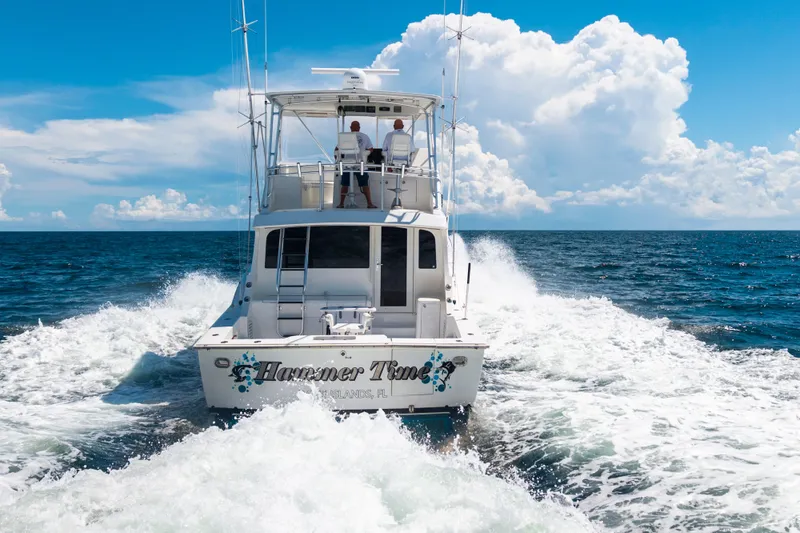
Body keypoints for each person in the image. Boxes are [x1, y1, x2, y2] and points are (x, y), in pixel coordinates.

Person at [336, 120, 377, 208]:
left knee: (345, 184)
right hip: (360, 164)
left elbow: (336, 149)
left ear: (350, 128)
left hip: (347, 164)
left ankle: (341, 203)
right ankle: (369, 203)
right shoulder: (365, 136)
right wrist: (364, 154)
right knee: (364, 184)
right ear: (359, 128)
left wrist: (338, 158)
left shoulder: (345, 137)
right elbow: (371, 149)